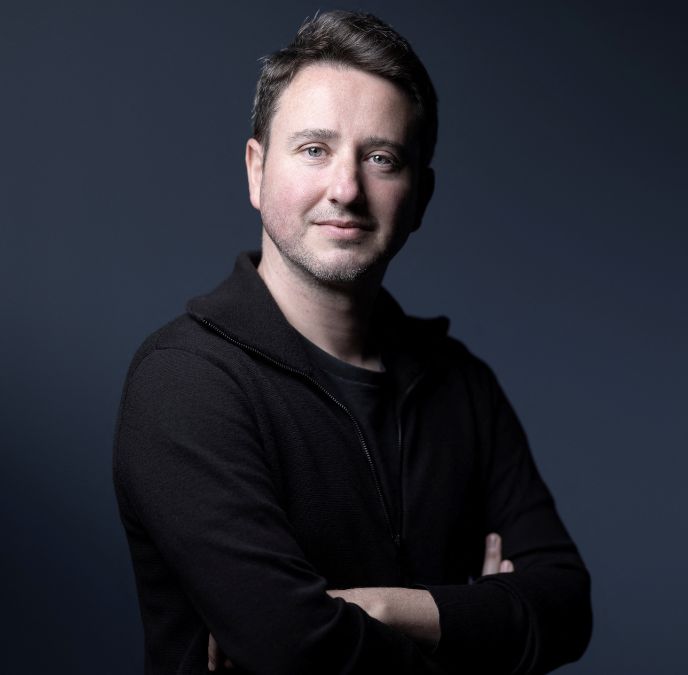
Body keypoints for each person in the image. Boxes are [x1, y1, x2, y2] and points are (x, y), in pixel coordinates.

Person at [112, 10, 591, 674]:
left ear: (420, 196)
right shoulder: (184, 383)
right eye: (314, 149)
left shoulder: (461, 384)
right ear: (256, 170)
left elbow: (567, 606)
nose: (346, 190)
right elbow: (297, 650)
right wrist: (477, 624)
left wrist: (387, 609)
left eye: (381, 158)